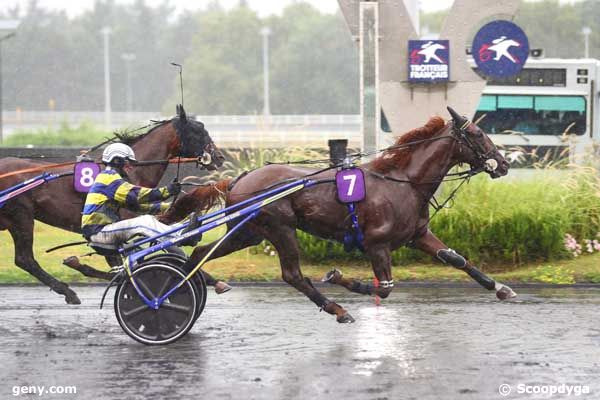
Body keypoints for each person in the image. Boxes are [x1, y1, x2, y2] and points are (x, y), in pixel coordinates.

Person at [81, 143, 232, 294]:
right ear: (117, 161)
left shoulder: (112, 180)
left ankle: (182, 232)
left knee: (147, 220)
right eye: (128, 162)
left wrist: (169, 208)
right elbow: (135, 195)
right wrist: (166, 191)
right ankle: (181, 236)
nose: (131, 167)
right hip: (98, 232)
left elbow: (137, 206)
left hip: (105, 231)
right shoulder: (108, 178)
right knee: (144, 222)